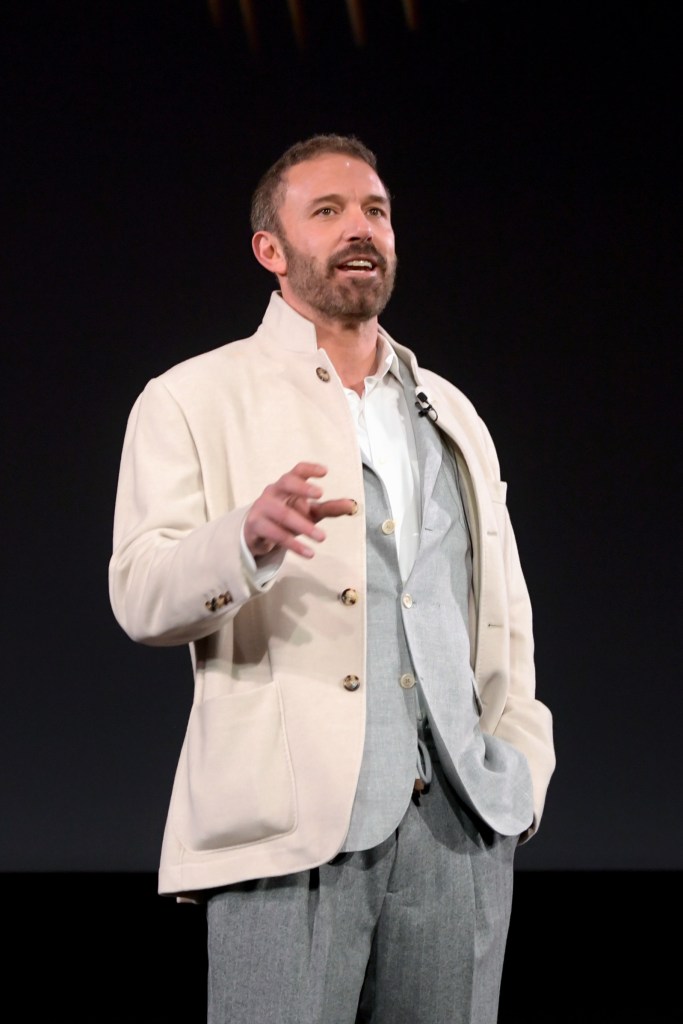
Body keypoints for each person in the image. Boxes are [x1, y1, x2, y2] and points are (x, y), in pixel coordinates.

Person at [109, 133, 555, 1024]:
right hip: (290, 829)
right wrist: (245, 539)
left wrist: (520, 763)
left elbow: (500, 607)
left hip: (459, 827)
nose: (361, 229)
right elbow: (140, 591)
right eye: (328, 212)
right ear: (269, 251)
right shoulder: (193, 396)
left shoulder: (451, 410)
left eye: (375, 212)